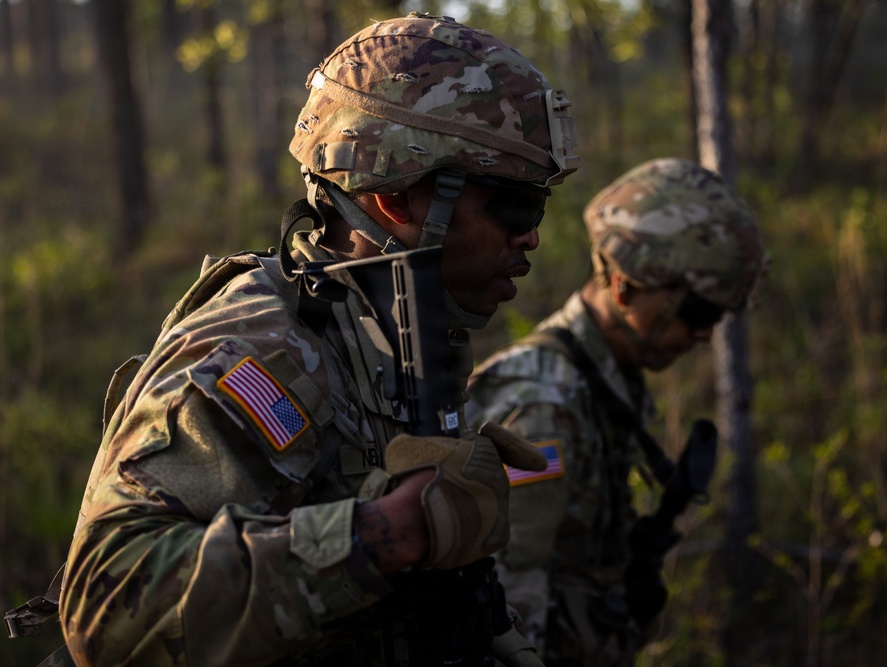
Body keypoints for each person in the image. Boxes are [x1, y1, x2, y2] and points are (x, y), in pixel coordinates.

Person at [54, 13, 579, 667]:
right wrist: (394, 531)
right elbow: (105, 608)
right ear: (399, 197)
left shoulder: (391, 332)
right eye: (516, 205)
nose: (531, 235)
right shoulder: (262, 348)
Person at [465, 158, 767, 667]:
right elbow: (507, 600)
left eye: (716, 316)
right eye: (697, 311)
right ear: (624, 286)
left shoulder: (606, 380)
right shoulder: (545, 406)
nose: (703, 334)